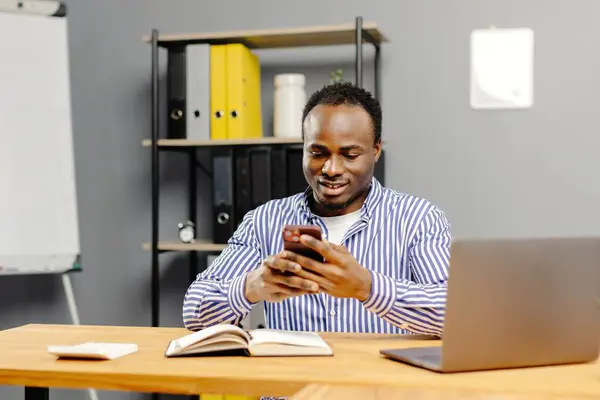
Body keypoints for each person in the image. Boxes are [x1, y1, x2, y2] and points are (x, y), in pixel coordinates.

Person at [182, 82, 452, 337]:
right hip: (294, 386)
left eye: (350, 155)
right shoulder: (263, 221)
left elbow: (455, 312)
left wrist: (367, 287)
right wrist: (251, 287)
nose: (331, 170)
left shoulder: (419, 219)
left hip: (377, 386)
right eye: (318, 153)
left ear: (376, 150)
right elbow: (194, 312)